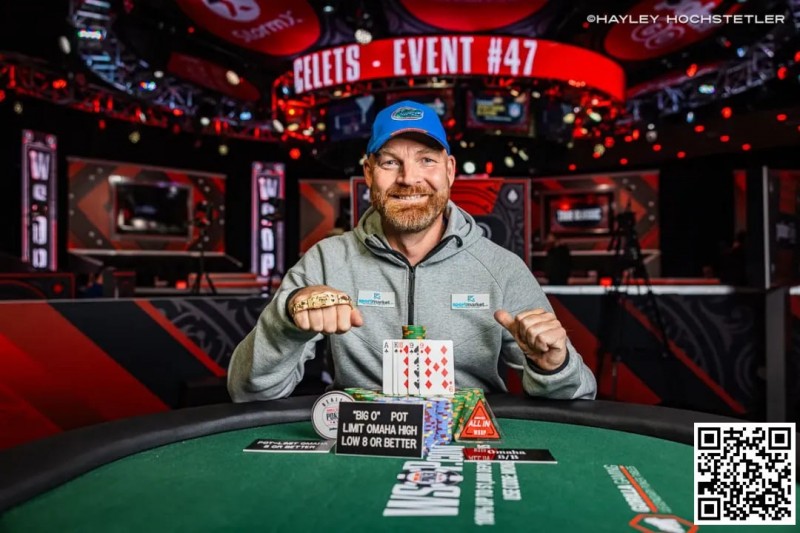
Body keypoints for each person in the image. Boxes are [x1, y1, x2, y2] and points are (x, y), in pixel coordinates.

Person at [228, 100, 596, 402]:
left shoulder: (501, 268)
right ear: (369, 173)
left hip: (468, 444)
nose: (408, 178)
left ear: (449, 170)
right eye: (391, 162)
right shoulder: (327, 261)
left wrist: (553, 365)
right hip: (361, 445)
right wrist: (286, 319)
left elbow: (581, 394)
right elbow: (246, 391)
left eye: (426, 160)